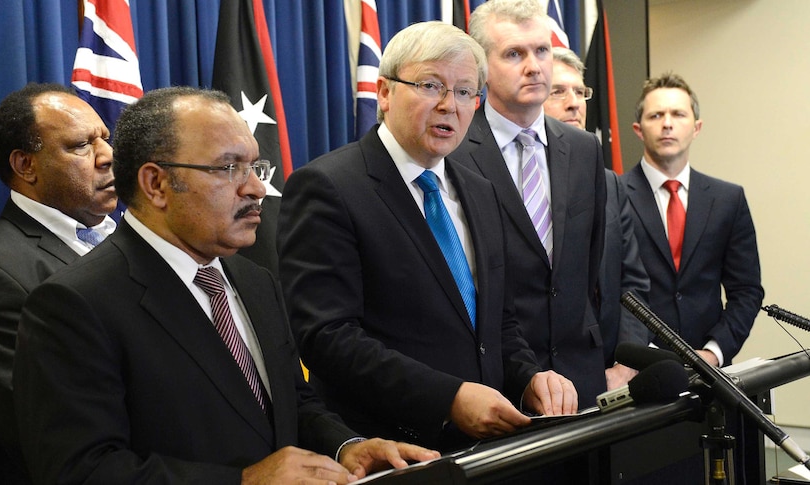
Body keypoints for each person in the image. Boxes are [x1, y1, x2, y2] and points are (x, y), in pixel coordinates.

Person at [12, 86, 438, 484]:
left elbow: (292, 404)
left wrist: (348, 447)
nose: (256, 188)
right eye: (229, 167)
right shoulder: (75, 303)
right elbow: (82, 470)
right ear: (156, 184)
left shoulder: (256, 282)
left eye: (255, 167)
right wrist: (243, 480)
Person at [278, 21, 576, 454]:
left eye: (464, 92)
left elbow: (497, 323)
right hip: (390, 451)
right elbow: (328, 337)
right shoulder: (327, 187)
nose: (448, 106)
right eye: (431, 85)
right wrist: (449, 398)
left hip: (490, 447)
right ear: (384, 92)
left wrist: (530, 376)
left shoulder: (481, 189)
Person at [0, 82, 118, 484]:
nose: (108, 156)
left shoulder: (137, 241)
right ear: (26, 166)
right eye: (81, 146)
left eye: (105, 140)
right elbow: (43, 429)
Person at [451, 0, 607, 407]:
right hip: (499, 381)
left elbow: (590, 264)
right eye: (514, 54)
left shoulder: (584, 147)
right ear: (482, 66)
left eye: (542, 50)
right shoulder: (453, 151)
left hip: (581, 372)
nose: (535, 66)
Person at [622, 73, 763, 367]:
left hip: (711, 376)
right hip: (637, 369)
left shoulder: (728, 199)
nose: (667, 123)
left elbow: (746, 290)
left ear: (697, 127)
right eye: (656, 115)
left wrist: (714, 352)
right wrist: (640, 353)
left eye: (678, 114)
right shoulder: (614, 195)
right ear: (638, 129)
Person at [542, 47, 650, 388]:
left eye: (580, 92)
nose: (574, 102)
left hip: (608, 372)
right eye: (558, 91)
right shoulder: (515, 178)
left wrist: (626, 361)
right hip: (543, 375)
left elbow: (633, 284)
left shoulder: (608, 182)